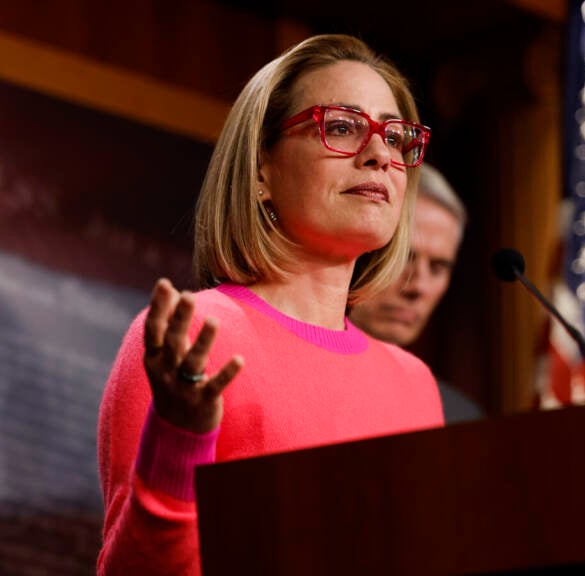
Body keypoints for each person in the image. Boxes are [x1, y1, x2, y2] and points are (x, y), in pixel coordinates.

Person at [96, 34, 444, 575]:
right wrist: (178, 441)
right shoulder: (195, 340)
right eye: (342, 127)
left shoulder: (414, 384)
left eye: (397, 138)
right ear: (261, 169)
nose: (380, 154)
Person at [349, 163, 485, 423]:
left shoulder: (460, 417)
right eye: (404, 258)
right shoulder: (297, 385)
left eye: (437, 268)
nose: (418, 287)